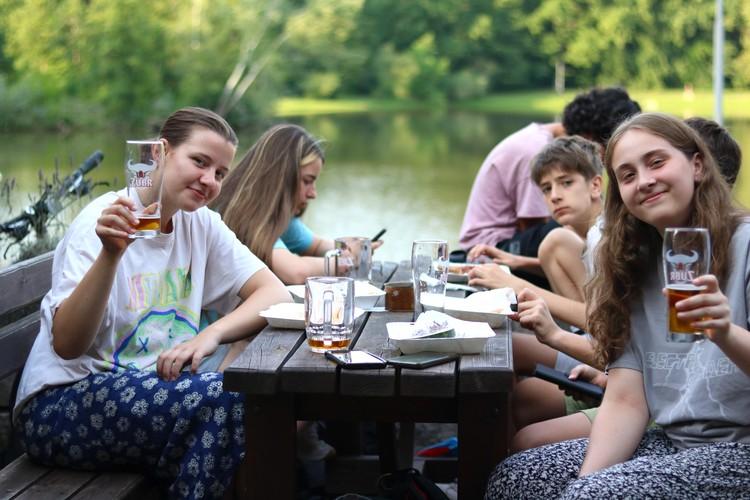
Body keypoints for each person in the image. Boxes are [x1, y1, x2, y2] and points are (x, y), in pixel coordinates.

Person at [13, 107, 291, 499]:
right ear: (159, 153)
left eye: (220, 173)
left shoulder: (201, 223)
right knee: (229, 400)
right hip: (61, 405)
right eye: (200, 162)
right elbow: (67, 345)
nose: (209, 180)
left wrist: (210, 335)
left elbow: (275, 294)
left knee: (259, 397)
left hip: (149, 393)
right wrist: (111, 255)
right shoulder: (103, 222)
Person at [486, 112, 750, 499]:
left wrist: (724, 332)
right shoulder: (632, 264)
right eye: (627, 175)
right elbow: (626, 399)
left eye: (656, 162)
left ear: (697, 165)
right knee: (516, 477)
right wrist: (586, 481)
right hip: (674, 441)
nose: (644, 180)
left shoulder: (745, 244)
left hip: (741, 451)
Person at [458, 88, 640, 288]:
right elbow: (532, 223)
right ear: (591, 138)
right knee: (565, 227)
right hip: (493, 243)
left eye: (566, 182)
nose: (606, 161)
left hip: (520, 238)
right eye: (609, 148)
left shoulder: (544, 138)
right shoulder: (537, 151)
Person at [212, 124, 382, 285]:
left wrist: (353, 248)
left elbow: (316, 246)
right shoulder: (245, 216)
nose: (313, 193)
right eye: (307, 181)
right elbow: (295, 272)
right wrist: (347, 261)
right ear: (280, 178)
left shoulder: (275, 216)